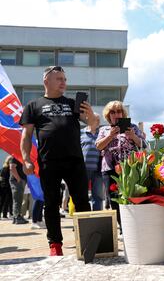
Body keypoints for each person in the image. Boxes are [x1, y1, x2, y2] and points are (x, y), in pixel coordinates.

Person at [20, 65, 93, 256]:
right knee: (51, 203)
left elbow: (92, 125)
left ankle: (85, 241)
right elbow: (26, 136)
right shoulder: (33, 106)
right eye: (59, 78)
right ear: (46, 81)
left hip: (75, 160)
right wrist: (26, 159)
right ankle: (55, 245)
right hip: (48, 161)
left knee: (82, 202)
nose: (63, 82)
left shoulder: (72, 103)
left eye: (64, 79)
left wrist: (92, 116)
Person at [96, 101, 146, 232]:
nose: (116, 114)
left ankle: (133, 226)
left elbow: (143, 145)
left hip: (130, 169)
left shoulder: (133, 127)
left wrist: (133, 136)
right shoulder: (104, 129)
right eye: (112, 112)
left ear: (123, 113)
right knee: (114, 199)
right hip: (110, 169)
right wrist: (110, 135)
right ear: (108, 115)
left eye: (119, 111)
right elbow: (98, 146)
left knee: (131, 197)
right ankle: (123, 227)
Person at [81, 113, 104, 211]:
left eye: (99, 120)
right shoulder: (81, 133)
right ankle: (85, 217)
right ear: (89, 120)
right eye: (96, 119)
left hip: (98, 169)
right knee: (82, 196)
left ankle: (97, 217)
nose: (98, 121)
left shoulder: (102, 133)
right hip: (83, 169)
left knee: (98, 195)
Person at [9, 157, 29, 224]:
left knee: (18, 199)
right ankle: (17, 217)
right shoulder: (14, 156)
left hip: (19, 180)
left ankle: (16, 217)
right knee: (17, 199)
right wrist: (19, 179)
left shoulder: (19, 156)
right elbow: (12, 168)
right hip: (17, 181)